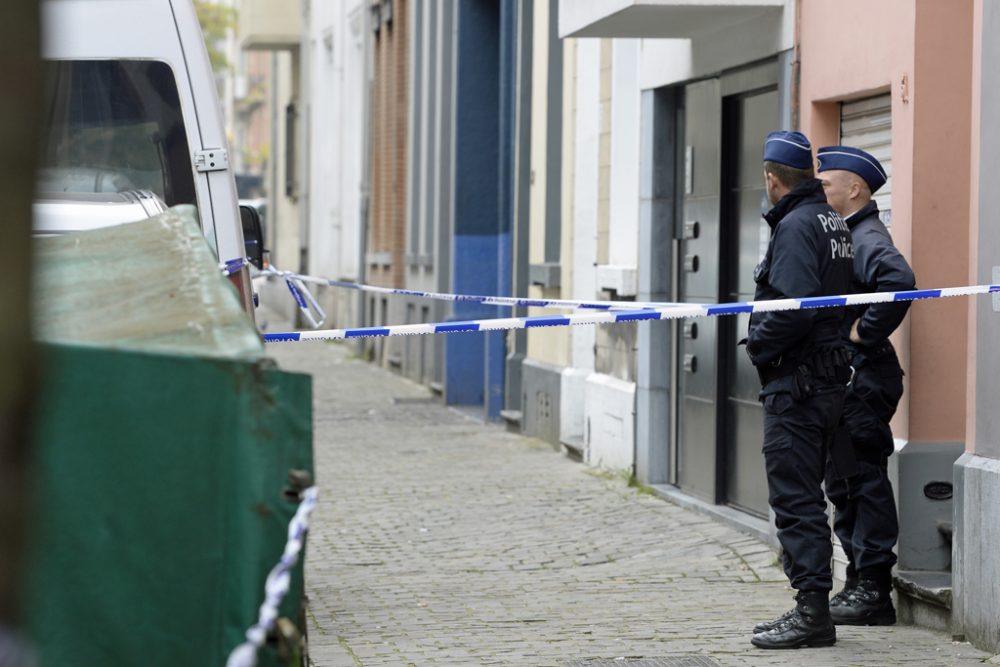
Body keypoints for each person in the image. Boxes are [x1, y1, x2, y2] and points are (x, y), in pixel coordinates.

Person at [745, 131, 854, 649]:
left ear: (772, 179)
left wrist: (757, 344)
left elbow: (792, 305)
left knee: (796, 499)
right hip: (828, 379)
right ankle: (811, 608)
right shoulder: (832, 219)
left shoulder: (795, 225)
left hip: (800, 384)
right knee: (810, 495)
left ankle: (812, 612)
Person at [816, 145, 916, 626]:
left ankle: (874, 588)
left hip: (865, 376)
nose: (821, 189)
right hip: (849, 377)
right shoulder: (845, 234)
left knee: (864, 481)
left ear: (854, 189)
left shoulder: (867, 236)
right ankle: (857, 580)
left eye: (827, 183)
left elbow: (900, 280)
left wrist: (862, 331)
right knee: (844, 481)